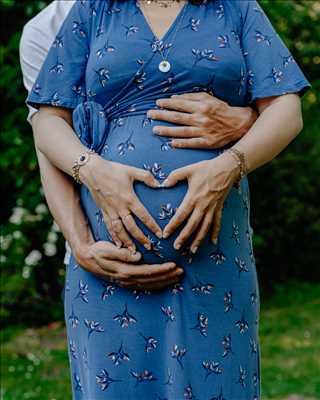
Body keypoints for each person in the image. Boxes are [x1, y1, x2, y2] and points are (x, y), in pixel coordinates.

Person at [24, 0, 311, 399]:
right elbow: (49, 119)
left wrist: (226, 167)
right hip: (111, 269)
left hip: (215, 262)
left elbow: (287, 109)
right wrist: (94, 172)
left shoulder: (235, 8)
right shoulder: (93, 10)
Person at [19, 0, 256, 292]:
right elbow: (48, 137)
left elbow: (274, 102)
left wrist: (247, 119)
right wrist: (80, 244)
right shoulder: (44, 29)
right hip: (107, 250)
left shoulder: (222, 9)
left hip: (214, 242)